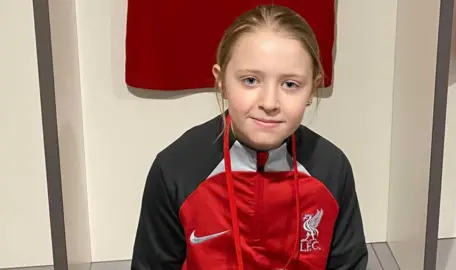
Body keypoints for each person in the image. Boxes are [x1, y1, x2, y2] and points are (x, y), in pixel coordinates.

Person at [131, 4, 368, 270]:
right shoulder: (176, 169)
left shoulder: (332, 169)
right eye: (250, 80)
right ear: (221, 82)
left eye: (290, 84)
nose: (269, 102)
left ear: (312, 89)